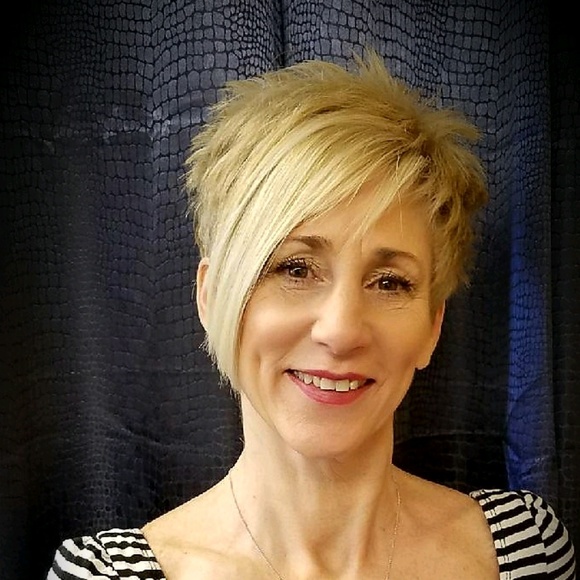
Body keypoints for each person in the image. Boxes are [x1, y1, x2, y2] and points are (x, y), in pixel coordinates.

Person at [48, 52, 576, 579]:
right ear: (210, 296)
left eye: (389, 282)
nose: (341, 331)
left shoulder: (528, 550)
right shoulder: (101, 575)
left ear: (432, 326)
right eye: (295, 269)